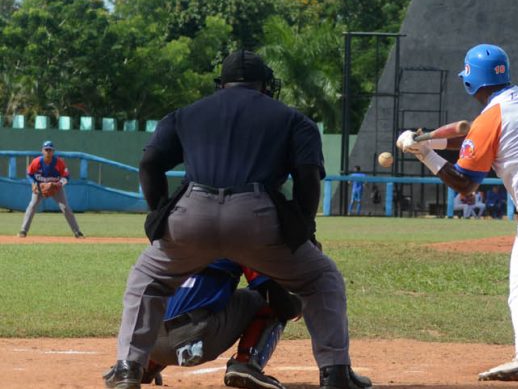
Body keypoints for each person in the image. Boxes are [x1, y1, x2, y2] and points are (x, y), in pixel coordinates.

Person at [103, 50, 371, 389]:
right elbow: (307, 178)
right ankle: (335, 372)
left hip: (192, 210)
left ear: (222, 83)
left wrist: (160, 215)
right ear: (264, 86)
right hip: (256, 215)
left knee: (149, 278)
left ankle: (128, 368)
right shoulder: (292, 119)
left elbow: (149, 164)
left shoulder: (186, 114)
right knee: (321, 278)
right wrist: (303, 230)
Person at [397, 44, 518, 381]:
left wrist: (424, 155)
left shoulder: (491, 117)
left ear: (470, 82)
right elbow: (478, 141)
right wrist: (428, 142)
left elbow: (465, 185)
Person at [126, 259, 302, 389]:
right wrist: (298, 305)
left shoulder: (179, 234)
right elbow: (276, 299)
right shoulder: (238, 236)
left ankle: (145, 366)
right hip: (192, 339)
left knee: (182, 298)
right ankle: (246, 363)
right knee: (264, 299)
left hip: (147, 342)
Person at [19, 140, 83, 238]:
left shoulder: (59, 163)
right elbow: (29, 174)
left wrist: (57, 184)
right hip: (40, 187)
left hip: (56, 188)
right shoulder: (36, 162)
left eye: (50, 150)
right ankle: (23, 230)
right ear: (42, 151)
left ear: (53, 151)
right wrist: (33, 184)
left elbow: (67, 177)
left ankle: (77, 231)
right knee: (32, 206)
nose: (48, 152)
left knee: (65, 207)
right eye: (46, 149)